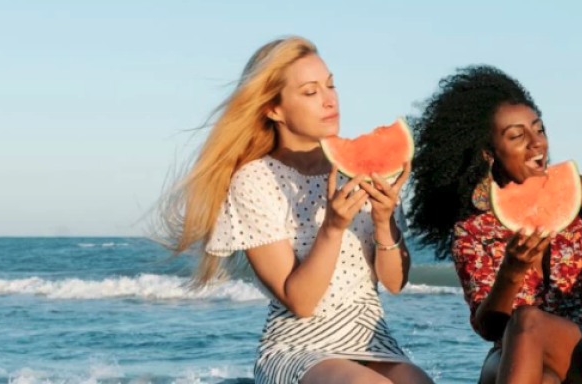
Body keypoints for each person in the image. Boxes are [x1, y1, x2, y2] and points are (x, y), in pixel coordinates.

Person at [152, 36, 432, 384]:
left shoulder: (362, 171)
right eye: (310, 92)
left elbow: (394, 282)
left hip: (372, 342)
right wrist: (331, 227)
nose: (330, 100)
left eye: (331, 85)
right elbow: (300, 302)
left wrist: (382, 220)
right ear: (274, 108)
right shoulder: (255, 180)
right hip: (299, 348)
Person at [404, 65, 582, 384]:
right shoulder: (473, 230)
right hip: (509, 353)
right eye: (518, 136)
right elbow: (489, 328)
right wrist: (511, 271)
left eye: (540, 129)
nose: (537, 144)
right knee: (539, 371)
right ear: (489, 153)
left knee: (528, 319)